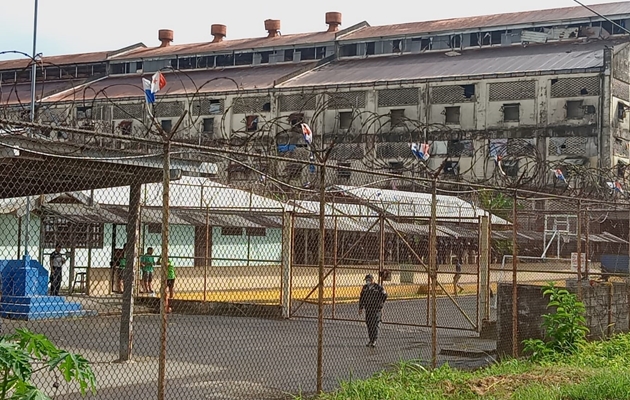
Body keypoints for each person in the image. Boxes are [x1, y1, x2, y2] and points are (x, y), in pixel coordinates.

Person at [358, 274, 387, 348]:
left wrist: (380, 303)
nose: (367, 282)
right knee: (369, 324)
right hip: (368, 309)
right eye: (366, 280)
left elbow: (385, 295)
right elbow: (362, 298)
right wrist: (360, 308)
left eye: (368, 280)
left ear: (372, 280)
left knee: (374, 324)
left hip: (376, 309)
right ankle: (370, 340)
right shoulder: (365, 288)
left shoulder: (378, 287)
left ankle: (374, 340)